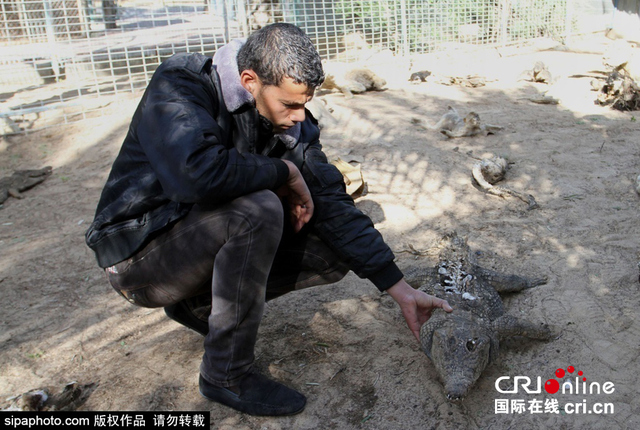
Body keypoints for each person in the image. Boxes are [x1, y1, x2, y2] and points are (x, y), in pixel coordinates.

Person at [85, 22, 452, 417]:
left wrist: (398, 287)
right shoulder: (181, 84)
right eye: (289, 105)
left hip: (193, 243)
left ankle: (199, 307)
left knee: (332, 242)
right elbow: (194, 175)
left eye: (305, 103)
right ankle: (225, 375)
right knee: (259, 209)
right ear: (249, 80)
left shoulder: (294, 124)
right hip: (137, 259)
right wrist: (283, 174)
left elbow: (331, 202)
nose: (298, 117)